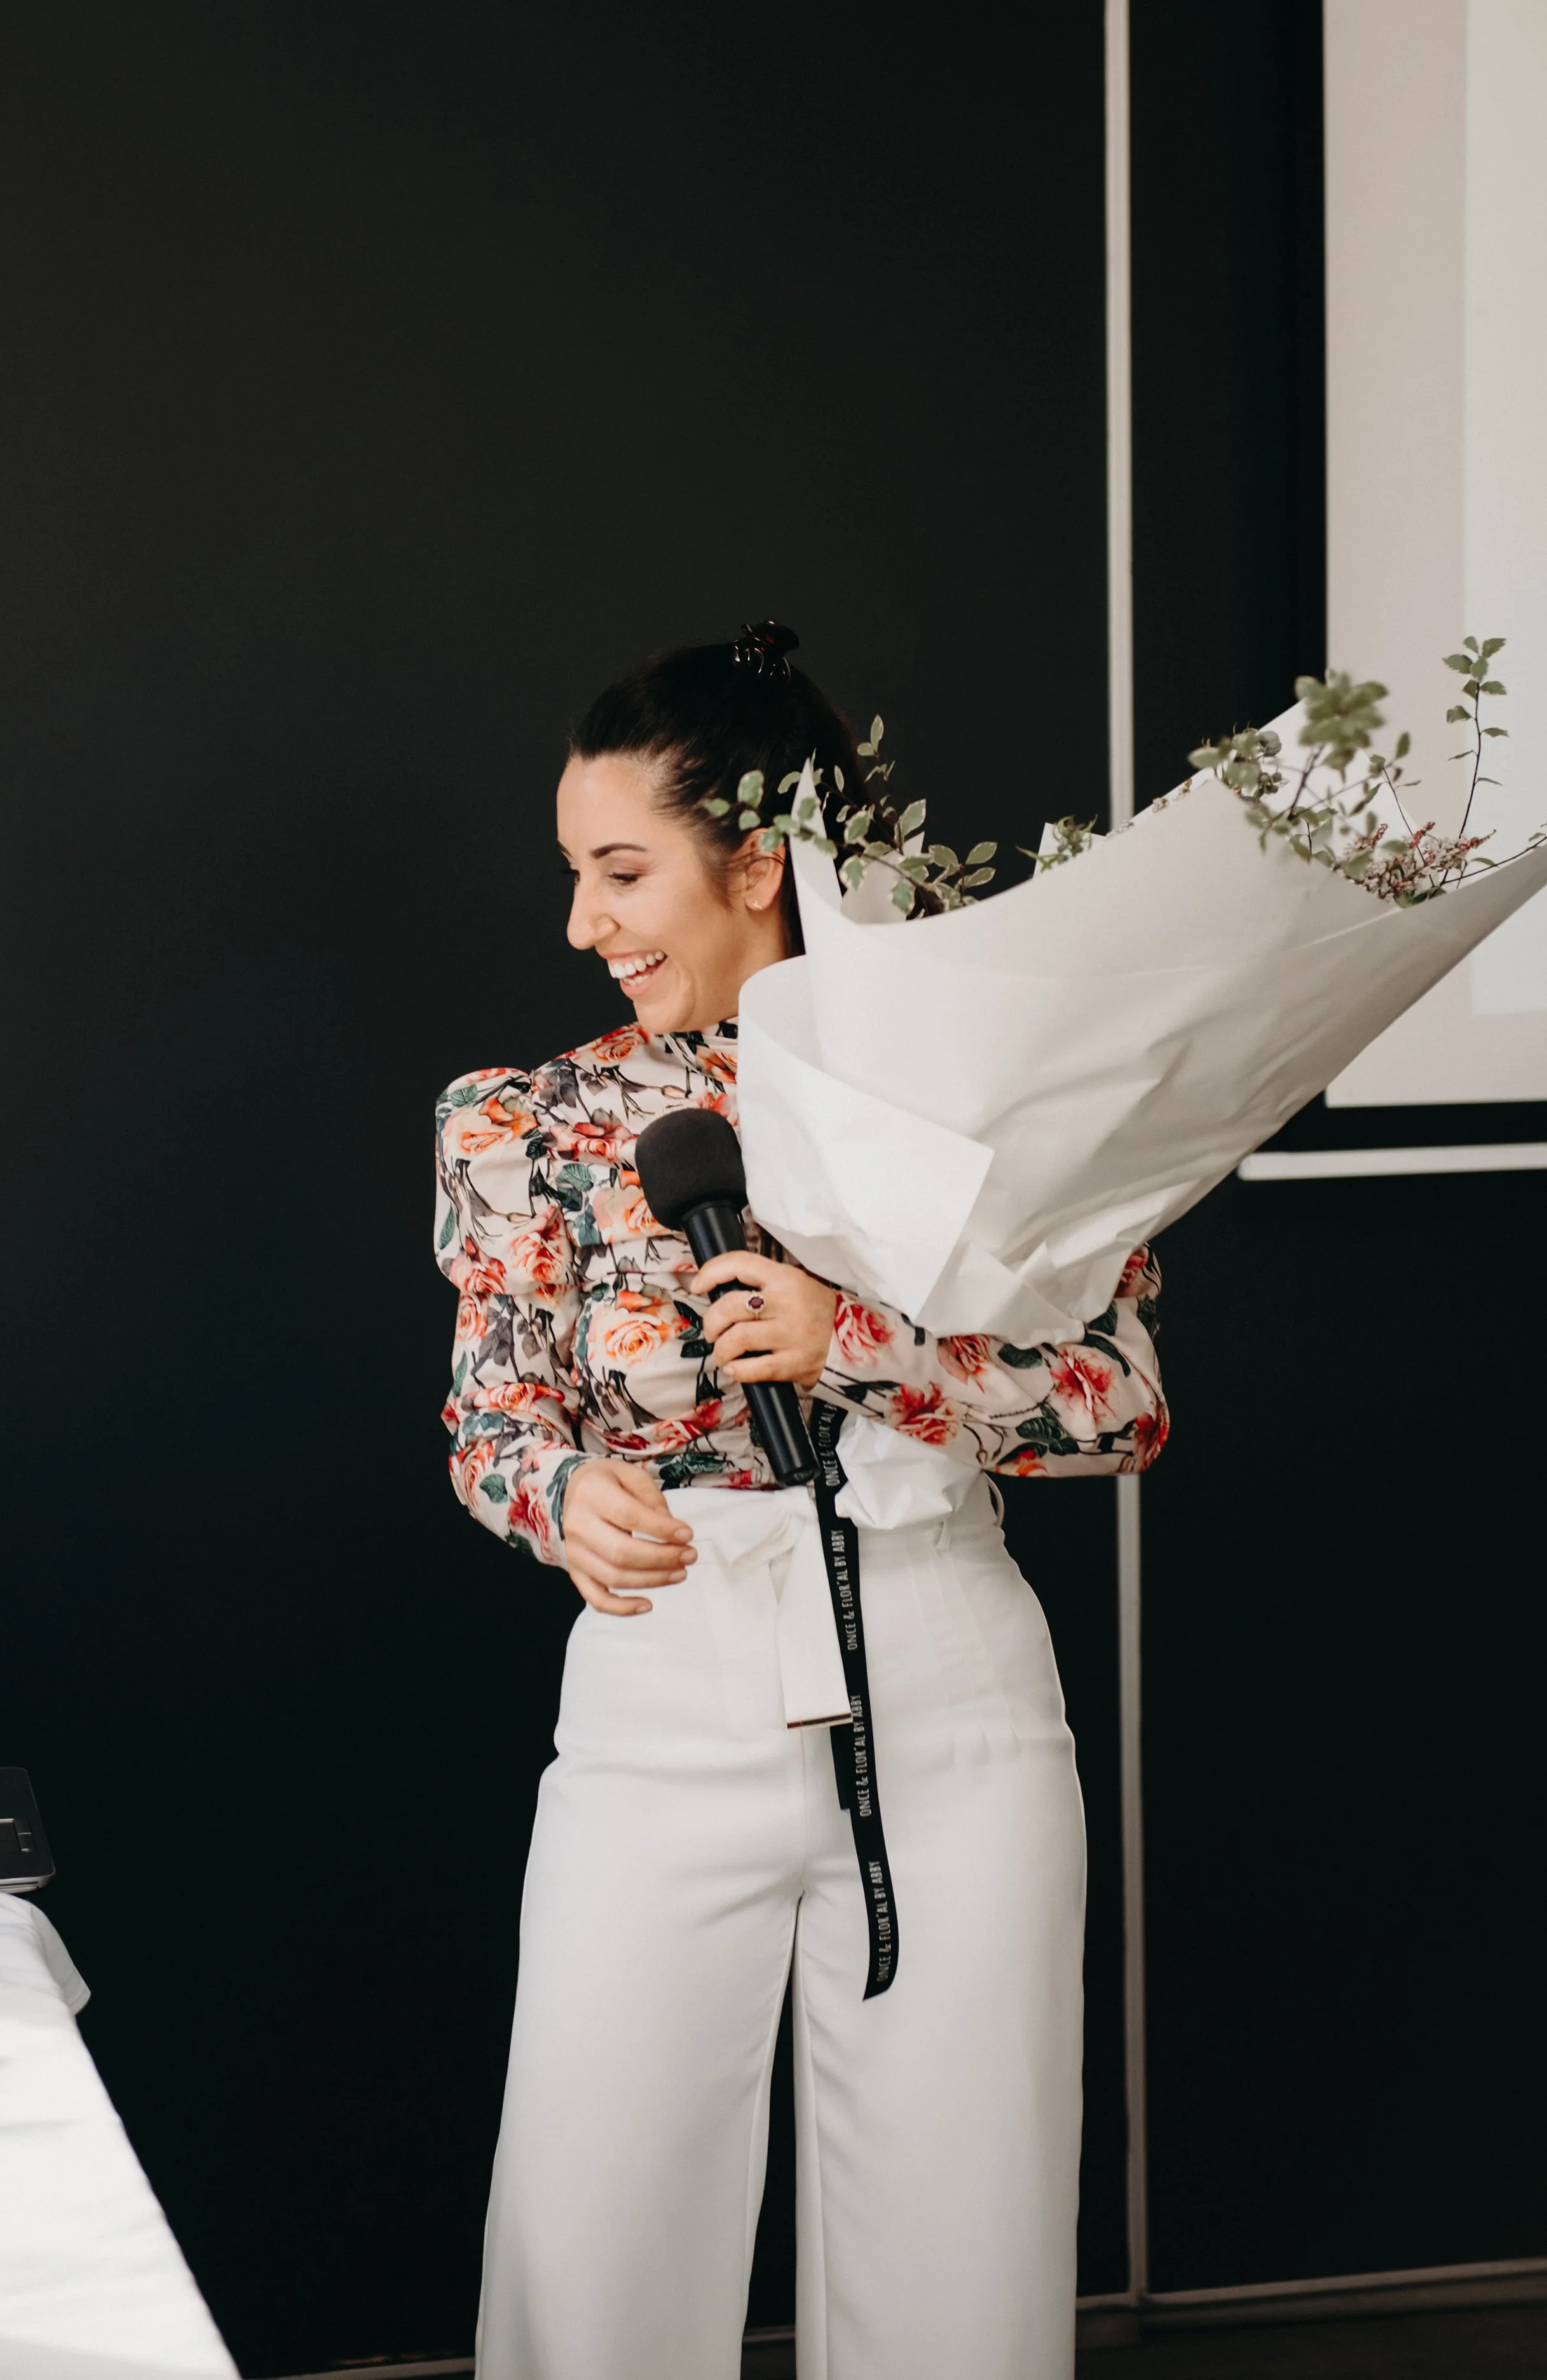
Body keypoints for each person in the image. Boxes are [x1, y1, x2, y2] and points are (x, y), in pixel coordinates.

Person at [433, 623, 1168, 2380]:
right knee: (588, 2236)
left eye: (623, 872)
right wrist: (559, 1492)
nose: (584, 923)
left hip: (949, 1690)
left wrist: (865, 1344)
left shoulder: (987, 1100)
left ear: (756, 859)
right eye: (574, 875)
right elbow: (489, 1412)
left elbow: (1120, 1407)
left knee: (962, 2244)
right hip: (658, 1685)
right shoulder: (524, 1121)